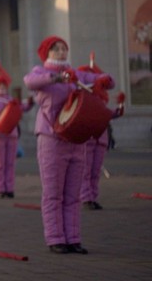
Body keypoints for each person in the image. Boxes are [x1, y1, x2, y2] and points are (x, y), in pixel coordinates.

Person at [24, 36, 112, 254]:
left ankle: (73, 238)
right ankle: (55, 238)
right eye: (56, 49)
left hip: (76, 139)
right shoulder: (41, 72)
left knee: (73, 194)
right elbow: (29, 82)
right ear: (47, 53)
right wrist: (57, 78)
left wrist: (104, 81)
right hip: (51, 139)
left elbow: (102, 79)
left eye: (64, 49)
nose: (62, 53)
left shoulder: (76, 74)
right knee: (54, 192)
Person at [0, 71, 33, 198]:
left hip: (11, 133)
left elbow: (23, 107)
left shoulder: (12, 100)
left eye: (3, 85)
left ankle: (9, 188)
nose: (1, 88)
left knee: (10, 162)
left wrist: (29, 103)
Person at [78, 59, 124, 210]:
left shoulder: (101, 100)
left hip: (101, 138)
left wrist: (119, 110)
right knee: (86, 169)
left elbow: (107, 115)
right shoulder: (82, 97)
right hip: (87, 138)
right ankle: (86, 197)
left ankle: (93, 197)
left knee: (96, 170)